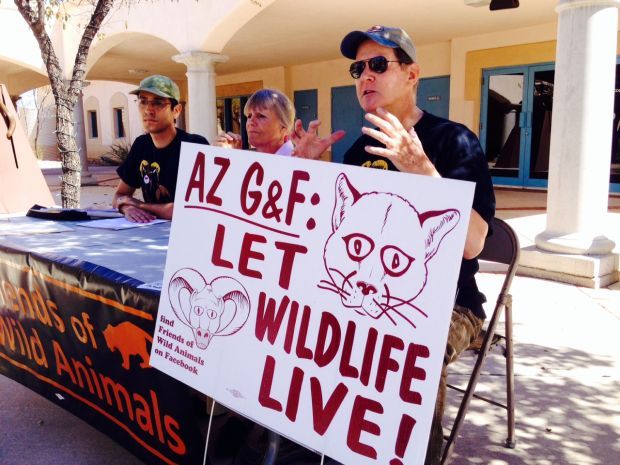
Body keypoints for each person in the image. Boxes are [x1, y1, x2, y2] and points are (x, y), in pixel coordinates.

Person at [292, 25, 495, 465]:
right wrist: (307, 173)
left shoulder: (453, 141)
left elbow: (474, 244)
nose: (366, 75)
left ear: (412, 74)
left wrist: (421, 170)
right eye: (358, 67)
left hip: (451, 304)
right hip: (363, 294)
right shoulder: (357, 151)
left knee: (410, 351)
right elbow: (328, 238)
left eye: (379, 64)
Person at [113, 75, 208, 222]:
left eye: (157, 103)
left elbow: (192, 209)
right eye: (143, 102)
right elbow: (120, 196)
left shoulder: (195, 146)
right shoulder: (141, 145)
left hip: (189, 234)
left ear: (176, 110)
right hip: (151, 233)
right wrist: (128, 208)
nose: (148, 110)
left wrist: (139, 205)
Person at [214, 88, 295, 155]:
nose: (251, 122)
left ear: (284, 127)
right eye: (249, 116)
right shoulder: (247, 159)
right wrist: (231, 157)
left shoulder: (298, 163)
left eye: (261, 116)